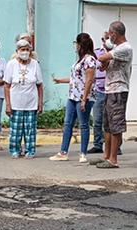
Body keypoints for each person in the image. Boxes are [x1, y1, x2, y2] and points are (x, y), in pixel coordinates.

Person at [50, 33, 99, 163]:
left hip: (84, 97)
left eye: (76, 43)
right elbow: (76, 79)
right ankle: (63, 151)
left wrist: (84, 99)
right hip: (73, 96)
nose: (75, 46)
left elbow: (89, 80)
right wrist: (60, 80)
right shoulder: (79, 60)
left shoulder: (89, 60)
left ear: (80, 45)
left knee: (83, 125)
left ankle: (83, 153)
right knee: (67, 124)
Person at [94, 21, 132, 169]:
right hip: (109, 89)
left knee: (116, 125)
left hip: (119, 89)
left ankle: (113, 159)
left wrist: (105, 49)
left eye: (110, 34)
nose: (109, 37)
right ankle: (106, 155)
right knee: (108, 125)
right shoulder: (116, 49)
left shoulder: (125, 48)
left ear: (115, 34)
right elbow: (104, 66)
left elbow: (102, 58)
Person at [3, 39, 43, 159]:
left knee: (30, 130)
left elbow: (40, 85)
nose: (25, 52)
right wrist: (8, 105)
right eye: (22, 49)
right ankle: (15, 150)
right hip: (16, 104)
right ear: (17, 51)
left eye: (27, 49)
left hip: (31, 103)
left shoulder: (35, 64)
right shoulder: (11, 64)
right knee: (16, 131)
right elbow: (7, 86)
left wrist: (40, 103)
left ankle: (30, 150)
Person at [87, 37, 107, 154]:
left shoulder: (117, 52)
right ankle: (98, 144)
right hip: (99, 90)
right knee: (97, 119)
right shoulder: (97, 53)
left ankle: (116, 146)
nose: (107, 41)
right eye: (105, 38)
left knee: (111, 121)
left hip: (111, 90)